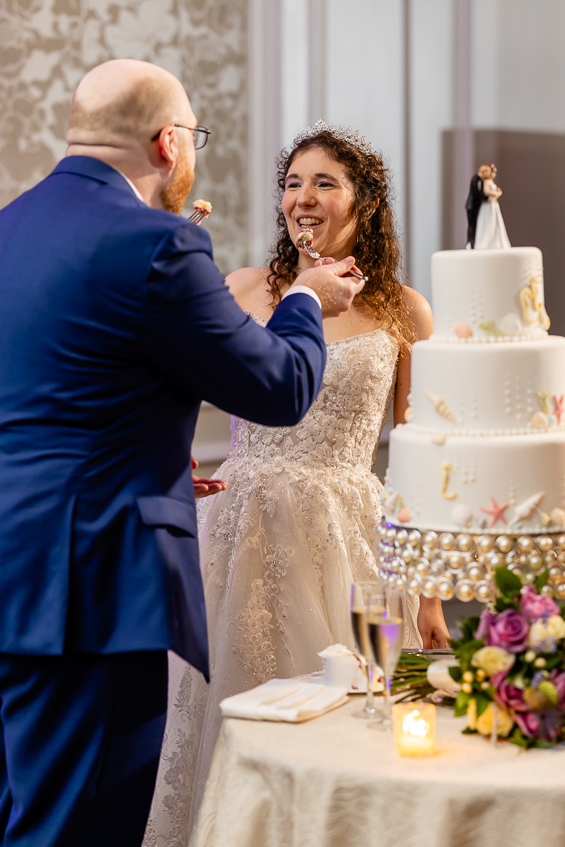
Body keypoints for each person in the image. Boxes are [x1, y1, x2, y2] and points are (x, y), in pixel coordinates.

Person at [0, 63, 365, 846]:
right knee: (82, 824)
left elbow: (59, 398)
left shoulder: (11, 227)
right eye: (192, 140)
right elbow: (278, 388)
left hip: (16, 569)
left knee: (24, 810)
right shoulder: (159, 242)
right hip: (90, 590)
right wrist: (305, 300)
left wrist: (149, 460)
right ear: (168, 143)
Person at [145, 121, 450, 846]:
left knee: (348, 715)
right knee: (229, 709)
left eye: (324, 183)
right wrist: (169, 460)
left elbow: (418, 452)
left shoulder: (405, 310)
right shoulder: (243, 287)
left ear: (364, 201)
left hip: (350, 534)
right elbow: (173, 388)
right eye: (291, 182)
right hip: (239, 525)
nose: (302, 198)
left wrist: (431, 592)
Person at [471, 163, 511, 250]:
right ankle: (486, 241)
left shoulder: (491, 181)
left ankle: (496, 241)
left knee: (495, 221)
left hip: (494, 204)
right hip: (488, 204)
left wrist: (498, 193)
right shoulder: (486, 182)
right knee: (488, 220)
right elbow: (486, 191)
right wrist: (495, 193)